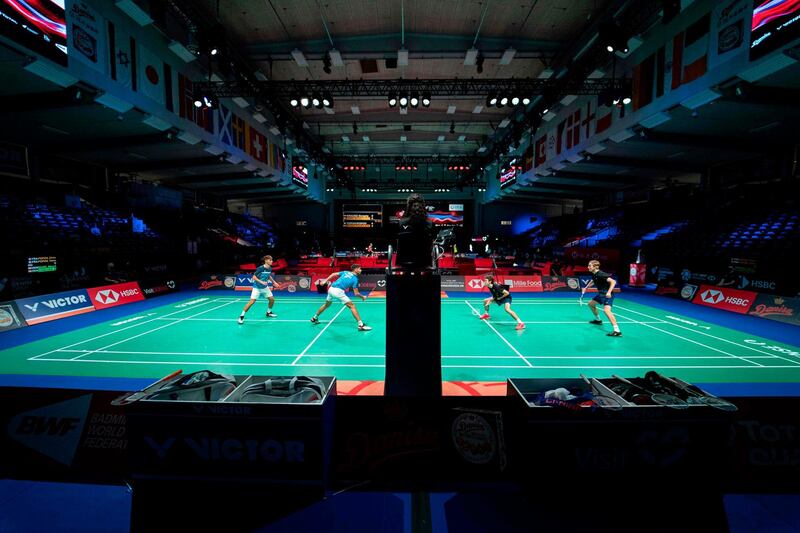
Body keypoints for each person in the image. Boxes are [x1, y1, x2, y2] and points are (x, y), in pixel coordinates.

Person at [311, 263, 372, 331]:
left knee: (326, 305)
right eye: (360, 269)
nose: (361, 270)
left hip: (331, 289)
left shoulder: (345, 272)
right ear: (356, 269)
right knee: (352, 306)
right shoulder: (355, 279)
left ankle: (315, 318)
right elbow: (356, 293)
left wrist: (325, 280)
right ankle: (361, 325)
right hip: (338, 291)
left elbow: (333, 274)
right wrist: (362, 297)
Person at [582, 259, 621, 337]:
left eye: (589, 265)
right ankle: (598, 320)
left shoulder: (601, 274)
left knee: (606, 311)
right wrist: (586, 287)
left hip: (607, 294)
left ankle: (617, 330)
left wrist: (609, 292)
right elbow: (593, 280)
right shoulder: (594, 273)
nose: (588, 267)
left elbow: (613, 281)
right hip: (601, 294)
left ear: (595, 267)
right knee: (590, 304)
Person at [238, 255, 281, 324]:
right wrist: (261, 282)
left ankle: (268, 312)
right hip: (257, 288)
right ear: (266, 260)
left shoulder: (270, 268)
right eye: (270, 260)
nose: (272, 261)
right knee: (252, 302)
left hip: (264, 287)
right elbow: (254, 277)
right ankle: (241, 316)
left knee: (272, 299)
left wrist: (274, 282)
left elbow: (268, 276)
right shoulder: (260, 268)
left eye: (272, 260)